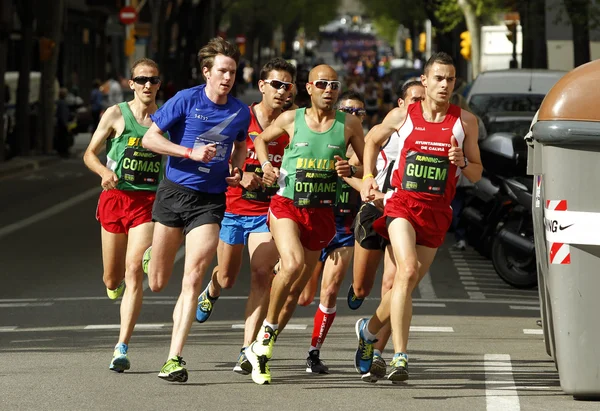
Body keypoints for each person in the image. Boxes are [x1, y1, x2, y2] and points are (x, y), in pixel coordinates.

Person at [356, 52, 482, 383]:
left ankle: (368, 331)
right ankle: (400, 356)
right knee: (407, 269)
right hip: (401, 205)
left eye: (450, 79)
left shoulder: (465, 122)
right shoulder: (403, 114)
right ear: (424, 81)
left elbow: (478, 172)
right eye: (438, 78)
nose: (445, 84)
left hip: (437, 213)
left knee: (406, 284)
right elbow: (371, 139)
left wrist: (463, 162)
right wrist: (368, 176)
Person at [245, 64, 366, 385]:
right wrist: (264, 165)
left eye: (334, 84)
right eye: (322, 84)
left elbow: (368, 168)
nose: (329, 89)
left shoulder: (350, 125)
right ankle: (266, 337)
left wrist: (351, 170)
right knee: (294, 263)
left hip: (322, 213)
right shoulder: (290, 119)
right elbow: (259, 141)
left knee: (296, 289)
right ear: (309, 88)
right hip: (286, 206)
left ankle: (261, 348)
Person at [141, 37, 250, 383]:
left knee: (193, 276)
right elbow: (150, 139)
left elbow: (241, 144)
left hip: (210, 200)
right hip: (174, 193)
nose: (227, 77)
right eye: (222, 71)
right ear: (207, 72)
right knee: (157, 282)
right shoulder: (185, 99)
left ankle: (174, 358)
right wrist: (187, 153)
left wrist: (236, 168)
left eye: (232, 72)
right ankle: (152, 256)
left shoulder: (239, 110)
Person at [194, 58, 297, 375]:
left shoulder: (294, 124)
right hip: (233, 209)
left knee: (261, 274)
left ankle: (246, 349)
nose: (281, 91)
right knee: (226, 276)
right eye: (276, 84)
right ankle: (212, 287)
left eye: (287, 86)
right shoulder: (241, 117)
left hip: (268, 214)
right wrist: (241, 177)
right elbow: (210, 157)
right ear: (262, 85)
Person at [82, 58, 163, 373]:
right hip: (116, 199)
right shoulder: (116, 114)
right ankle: (112, 283)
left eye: (153, 80)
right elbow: (89, 153)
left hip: (147, 202)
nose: (147, 85)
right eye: (141, 79)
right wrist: (103, 170)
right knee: (112, 277)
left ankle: (122, 346)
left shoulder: (165, 118)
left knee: (134, 273)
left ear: (159, 84)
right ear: (131, 83)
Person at [347, 80, 425, 383]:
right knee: (363, 288)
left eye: (423, 98)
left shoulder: (433, 127)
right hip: (374, 208)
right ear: (402, 104)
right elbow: (365, 149)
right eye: (414, 99)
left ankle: (377, 352)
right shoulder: (393, 122)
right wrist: (365, 178)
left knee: (396, 281)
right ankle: (363, 314)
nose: (420, 104)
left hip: (402, 210)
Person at [295, 90, 366, 374]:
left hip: (343, 227)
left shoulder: (367, 144)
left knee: (331, 290)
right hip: (313, 218)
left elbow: (374, 172)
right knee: (302, 296)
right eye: (348, 111)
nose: (354, 116)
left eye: (360, 112)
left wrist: (354, 170)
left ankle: (314, 352)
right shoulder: (324, 135)